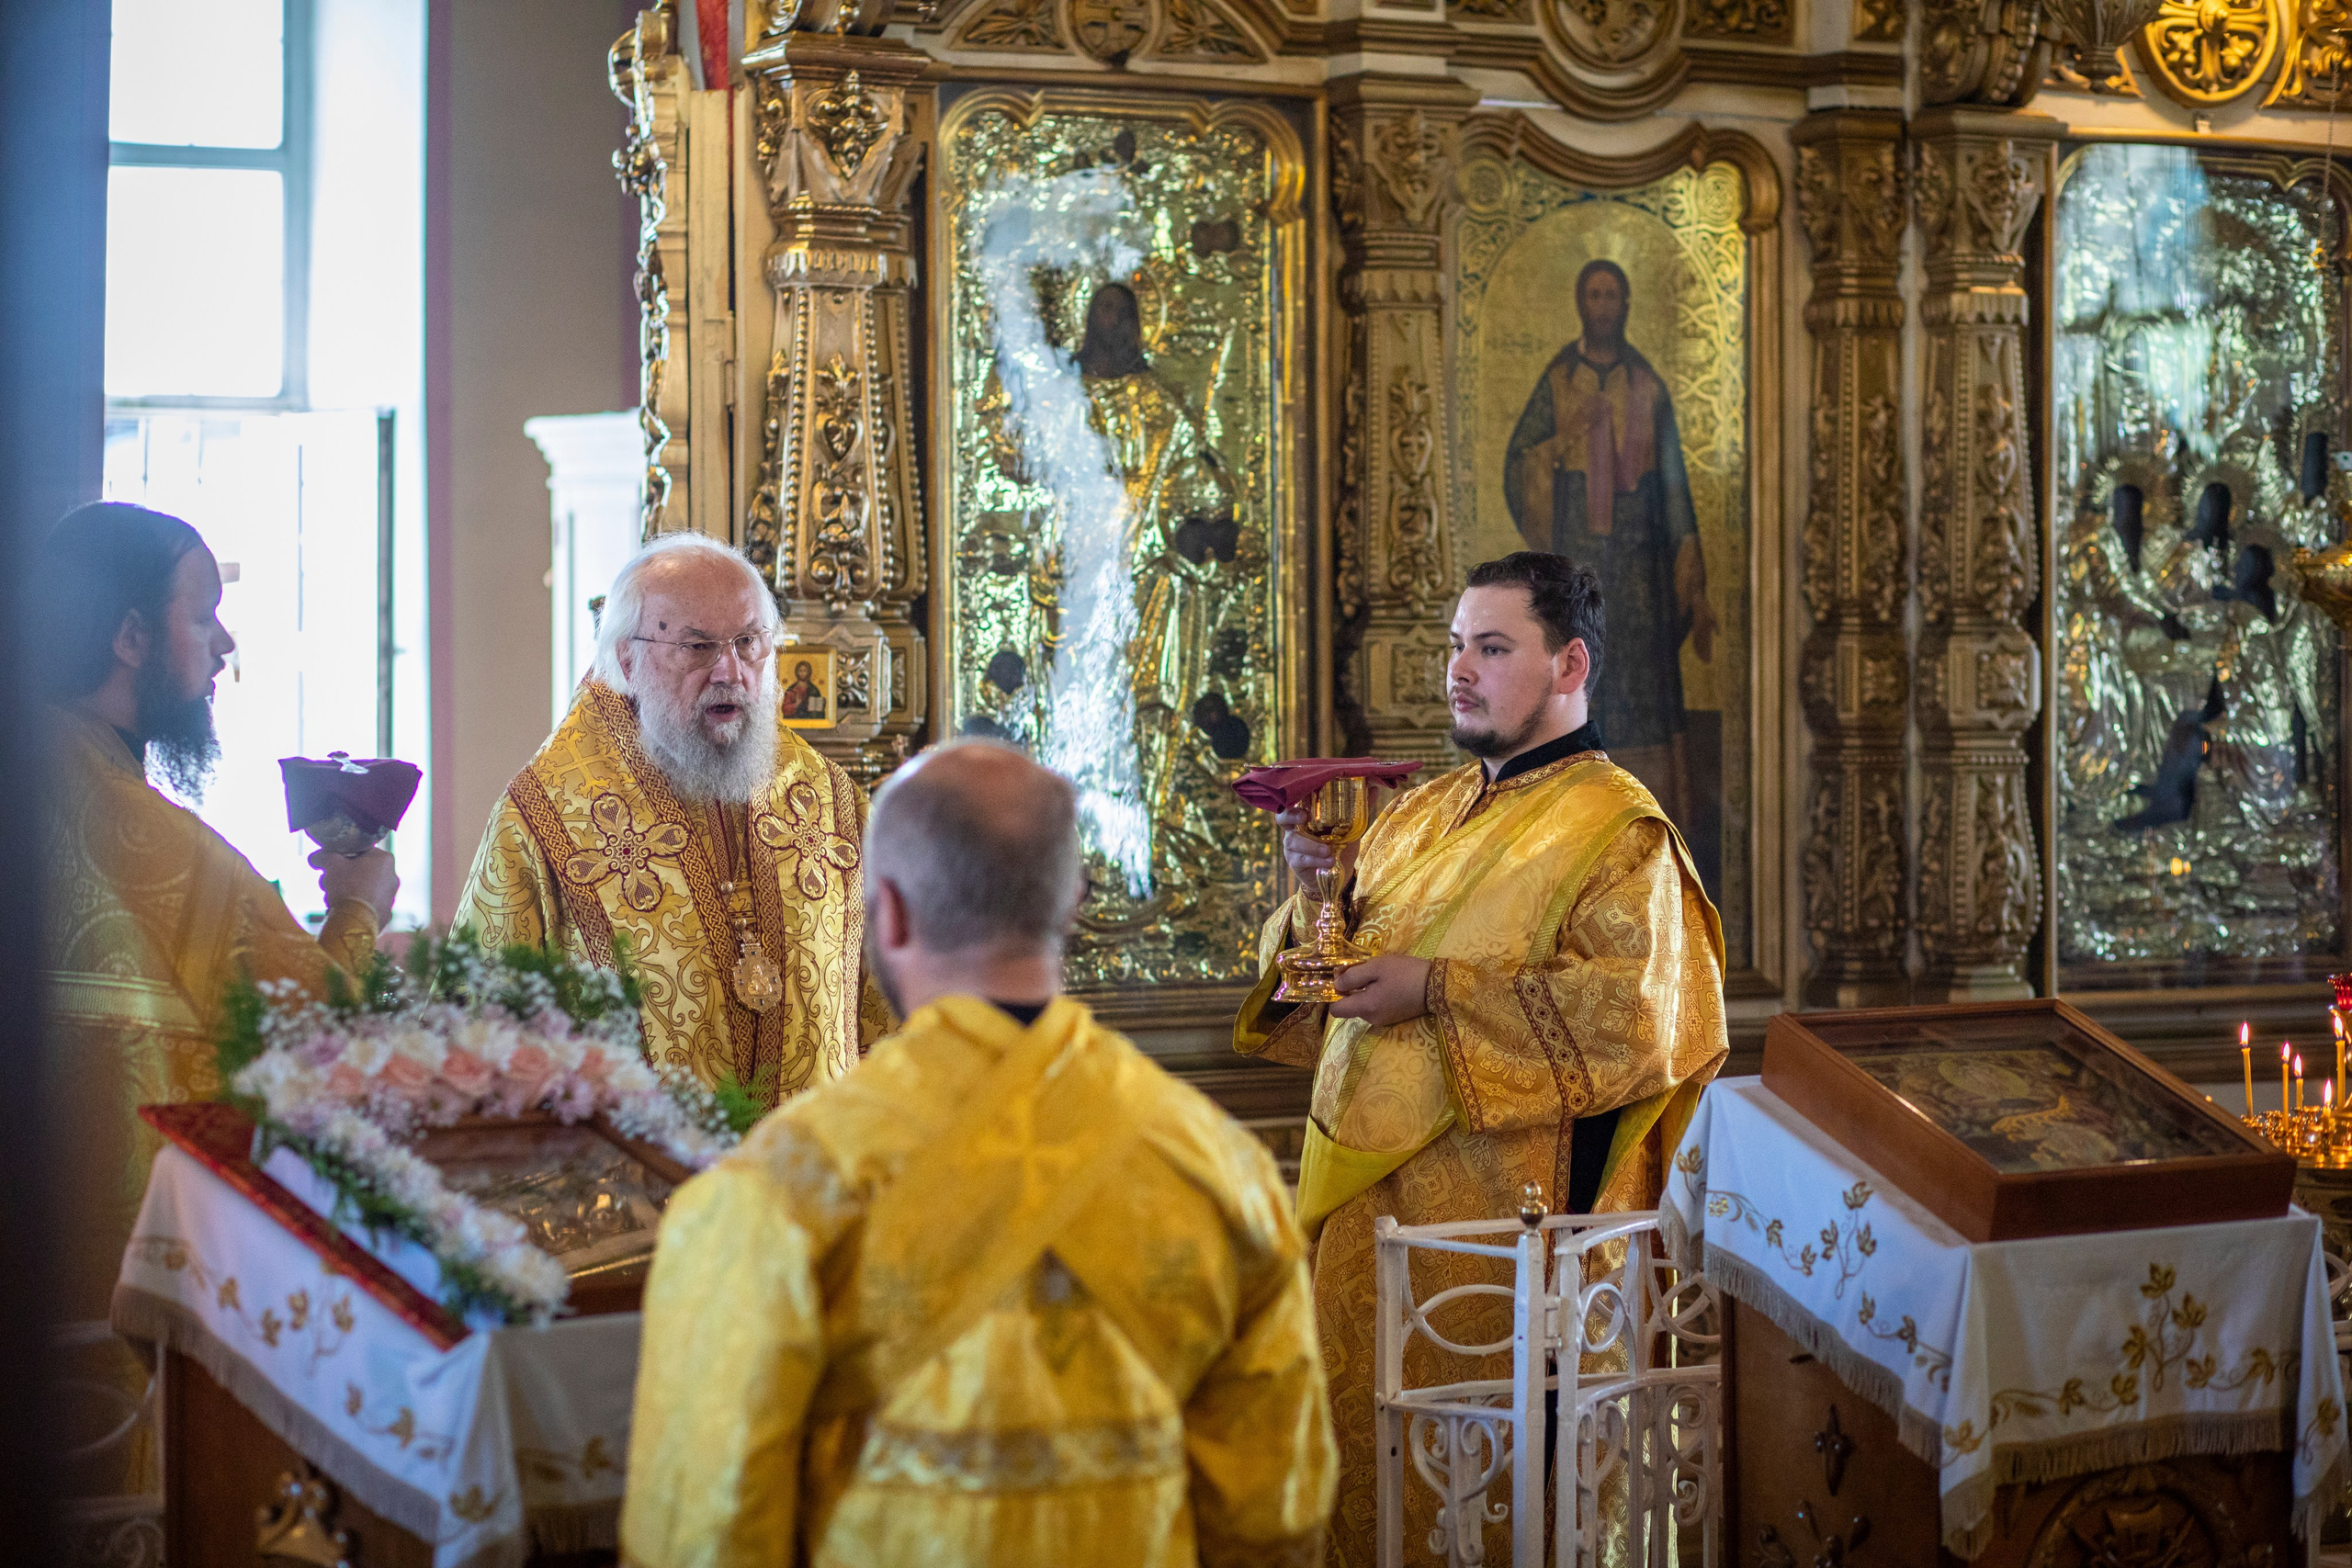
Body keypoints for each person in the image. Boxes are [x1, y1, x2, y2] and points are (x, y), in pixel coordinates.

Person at [623, 740, 1335, 1567]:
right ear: (1069, 902)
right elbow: (1275, 1520)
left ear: (886, 910)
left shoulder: (778, 1191)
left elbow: (703, 1529)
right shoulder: (1221, 1169)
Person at [1232, 551, 1729, 1563]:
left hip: (1504, 1258)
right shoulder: (1420, 812)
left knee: (1486, 1510)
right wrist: (1313, 892)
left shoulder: (1619, 832)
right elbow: (1319, 977)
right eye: (1456, 646)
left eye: (1492, 648)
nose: (1459, 670)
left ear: (1568, 665)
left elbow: (1641, 1022)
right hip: (1365, 1231)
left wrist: (1438, 991)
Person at [37, 501, 398, 1476]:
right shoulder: (159, 850)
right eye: (205, 615)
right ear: (130, 636)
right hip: (108, 1360)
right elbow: (323, 1039)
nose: (224, 643)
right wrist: (359, 908)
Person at [457, 534, 888, 1108]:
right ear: (629, 661)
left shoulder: (831, 802)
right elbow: (480, 1040)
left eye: (748, 642)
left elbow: (891, 1015)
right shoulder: (545, 818)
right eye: (697, 647)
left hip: (816, 1184)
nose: (729, 670)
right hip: (638, 1186)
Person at [1504, 258, 1715, 829]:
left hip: (1640, 563)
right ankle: (1571, 805)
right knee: (1576, 667)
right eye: (1594, 295)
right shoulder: (1558, 379)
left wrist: (1690, 573)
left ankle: (1646, 817)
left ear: (1625, 307)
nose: (1603, 306)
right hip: (1578, 556)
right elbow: (1520, 460)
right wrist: (1561, 442)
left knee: (1643, 677)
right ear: (1581, 304)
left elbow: (1674, 489)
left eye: (1612, 296)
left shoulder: (1647, 385)